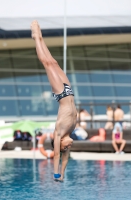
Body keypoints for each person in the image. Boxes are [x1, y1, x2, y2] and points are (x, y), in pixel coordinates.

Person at [31, 21, 77, 181]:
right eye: (67, 148)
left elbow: (58, 154)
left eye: (66, 146)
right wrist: (64, 173)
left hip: (60, 93)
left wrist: (56, 173)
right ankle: (40, 36)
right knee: (54, 62)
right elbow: (65, 157)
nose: (69, 146)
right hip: (69, 91)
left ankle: (36, 37)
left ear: (59, 142)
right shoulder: (70, 131)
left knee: (47, 64)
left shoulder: (58, 132)